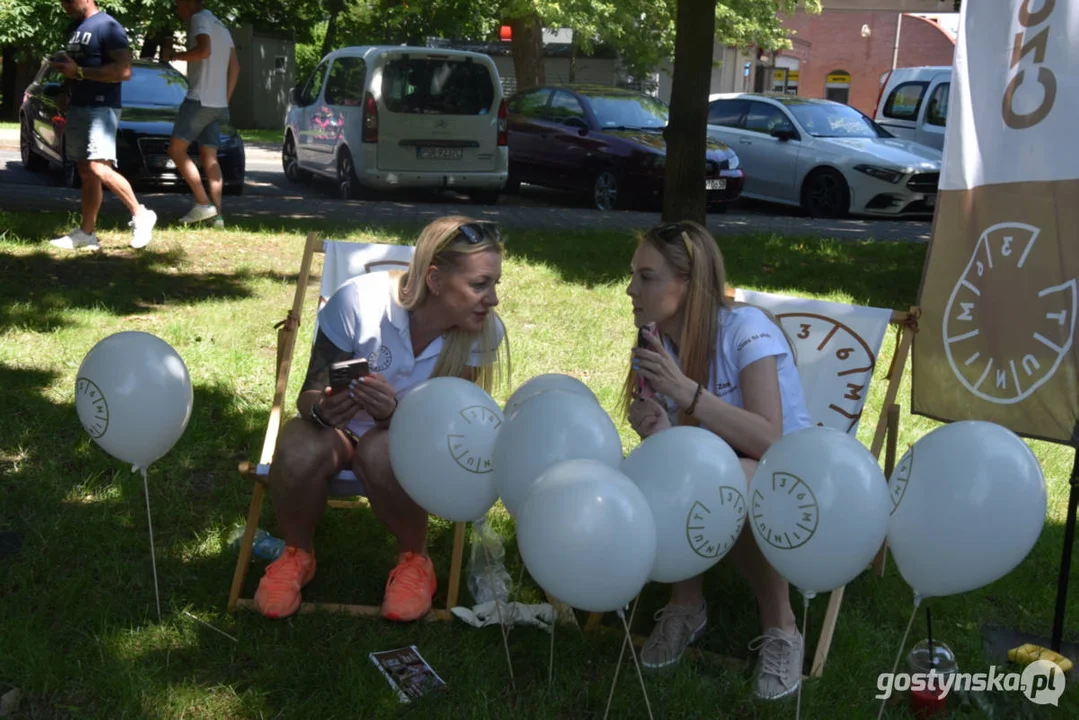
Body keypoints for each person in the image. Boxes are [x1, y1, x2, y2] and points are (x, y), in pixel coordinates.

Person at [254, 216, 510, 622]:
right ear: (435, 279)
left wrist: (396, 416)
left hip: (411, 446)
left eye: (494, 283)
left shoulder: (481, 333)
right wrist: (322, 409)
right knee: (298, 444)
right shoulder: (359, 301)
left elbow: (457, 427)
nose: (492, 298)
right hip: (337, 432)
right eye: (480, 285)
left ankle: (414, 561)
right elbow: (310, 392)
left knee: (381, 449)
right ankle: (296, 554)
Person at [624, 220, 813, 700]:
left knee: (731, 482)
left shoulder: (746, 331)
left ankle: (783, 627)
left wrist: (686, 393)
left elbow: (770, 439)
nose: (631, 289)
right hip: (713, 466)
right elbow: (681, 440)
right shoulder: (653, 341)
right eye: (633, 275)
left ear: (688, 284)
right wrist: (655, 425)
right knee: (677, 473)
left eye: (646, 277)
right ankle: (686, 606)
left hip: (789, 471)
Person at [49, 0, 157, 251]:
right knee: (86, 172)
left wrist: (78, 73)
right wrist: (66, 89)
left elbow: (124, 70)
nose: (64, 4)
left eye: (68, 0)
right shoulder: (73, 28)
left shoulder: (108, 26)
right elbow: (75, 69)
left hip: (101, 106)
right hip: (78, 105)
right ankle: (87, 233)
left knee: (99, 168)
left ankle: (141, 214)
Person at [164, 0, 240, 227]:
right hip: (217, 104)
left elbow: (204, 51)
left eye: (179, 4)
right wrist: (224, 100)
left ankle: (202, 203)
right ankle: (217, 217)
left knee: (176, 150)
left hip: (199, 99)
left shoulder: (199, 19)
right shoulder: (222, 26)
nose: (178, 10)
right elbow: (235, 66)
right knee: (210, 156)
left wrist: (175, 55)